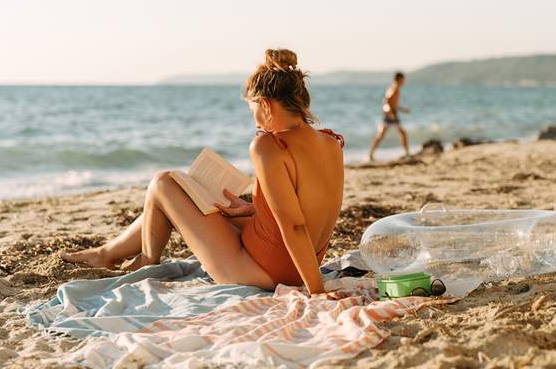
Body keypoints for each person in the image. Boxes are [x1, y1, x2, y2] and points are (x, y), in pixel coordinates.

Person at [61, 49, 344, 296]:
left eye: (253, 109)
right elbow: (311, 209)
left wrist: (316, 290)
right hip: (297, 262)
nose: (254, 118)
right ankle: (106, 254)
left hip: (265, 269)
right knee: (190, 198)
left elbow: (294, 226)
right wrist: (250, 209)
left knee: (163, 183)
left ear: (267, 105)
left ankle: (146, 261)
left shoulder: (269, 145)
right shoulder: (331, 142)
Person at [368, 72, 410, 161]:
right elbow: (386, 101)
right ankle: (407, 154)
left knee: (384, 135)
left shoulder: (396, 89)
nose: (404, 81)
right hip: (390, 115)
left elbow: (393, 104)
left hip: (392, 114)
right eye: (403, 79)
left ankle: (371, 154)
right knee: (399, 134)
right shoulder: (394, 89)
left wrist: (402, 109)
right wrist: (390, 113)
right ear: (399, 79)